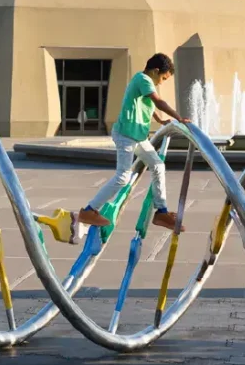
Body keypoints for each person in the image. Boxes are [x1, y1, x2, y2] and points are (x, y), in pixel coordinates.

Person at [77, 54, 189, 232]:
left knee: (158, 166)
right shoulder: (143, 79)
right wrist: (179, 118)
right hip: (125, 136)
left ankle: (161, 212)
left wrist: (160, 121)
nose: (161, 82)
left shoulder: (146, 83)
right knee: (122, 177)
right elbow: (158, 102)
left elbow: (148, 106)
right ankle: (89, 210)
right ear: (155, 71)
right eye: (163, 78)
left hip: (138, 137)